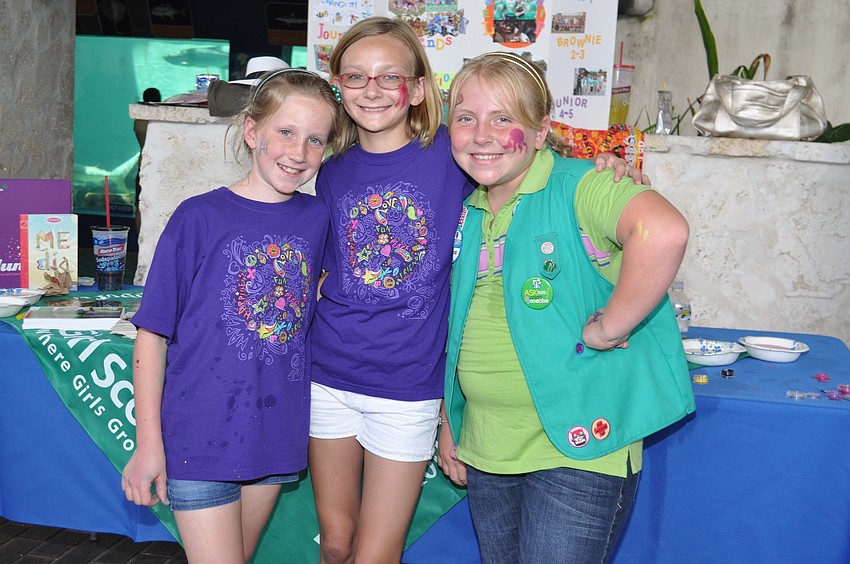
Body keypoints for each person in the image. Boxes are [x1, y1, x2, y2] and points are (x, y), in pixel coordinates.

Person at [307, 17, 648, 564]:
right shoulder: (332, 170)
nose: (371, 90)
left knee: (373, 553)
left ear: (418, 89)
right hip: (329, 375)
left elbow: (531, 154)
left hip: (407, 383)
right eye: (355, 76)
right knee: (337, 542)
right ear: (338, 86)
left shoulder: (456, 150)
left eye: (388, 76)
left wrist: (605, 163)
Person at [438, 51, 695, 563]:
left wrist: (609, 328)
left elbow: (663, 232)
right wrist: (452, 422)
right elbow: (462, 321)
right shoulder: (465, 208)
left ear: (539, 132)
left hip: (579, 446)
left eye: (503, 118)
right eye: (466, 119)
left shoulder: (585, 184)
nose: (482, 134)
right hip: (488, 446)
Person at [121, 69, 343, 564]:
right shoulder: (197, 217)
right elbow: (152, 336)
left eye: (315, 140)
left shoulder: (316, 219)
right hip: (198, 435)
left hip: (274, 432)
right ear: (251, 131)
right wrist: (148, 445)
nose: (298, 152)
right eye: (285, 132)